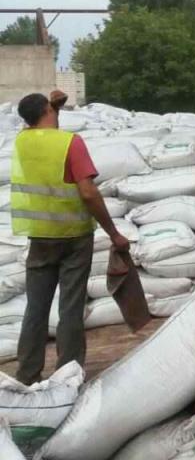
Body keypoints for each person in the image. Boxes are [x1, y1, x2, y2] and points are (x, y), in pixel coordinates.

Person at [10, 92, 130, 385]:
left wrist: (53, 107)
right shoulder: (70, 143)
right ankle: (68, 376)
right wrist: (113, 233)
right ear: (48, 110)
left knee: (35, 309)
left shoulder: (22, 141)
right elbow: (88, 192)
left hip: (40, 237)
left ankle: (27, 376)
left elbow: (39, 126)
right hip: (74, 237)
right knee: (70, 309)